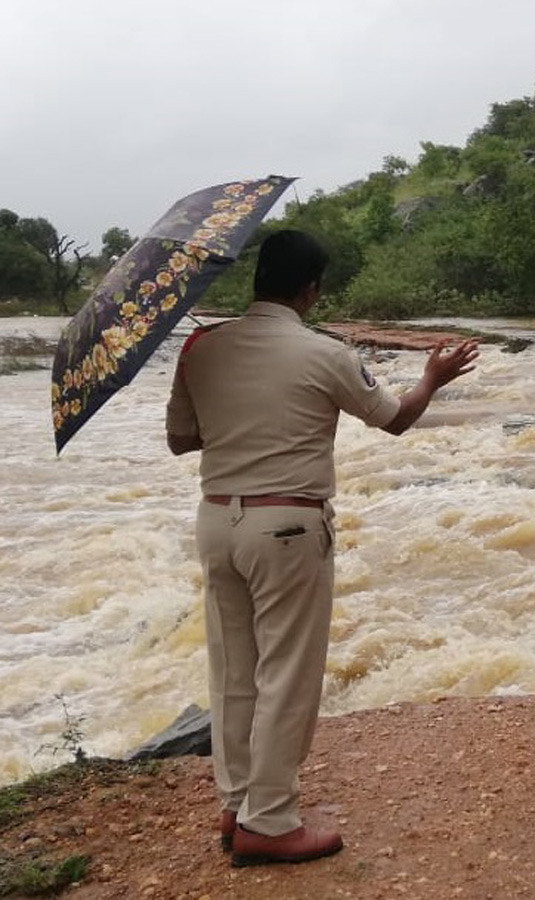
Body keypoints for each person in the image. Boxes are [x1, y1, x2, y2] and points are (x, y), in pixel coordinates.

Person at [165, 230, 479, 867]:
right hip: (287, 526)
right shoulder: (325, 351)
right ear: (312, 289)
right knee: (286, 671)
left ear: (257, 281)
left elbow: (181, 439)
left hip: (216, 519)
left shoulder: (200, 346)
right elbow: (395, 418)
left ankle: (237, 805)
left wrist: (241, 419)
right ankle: (271, 822)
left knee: (233, 670)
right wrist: (433, 380)